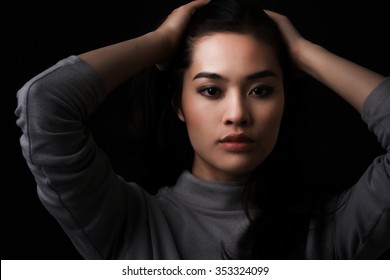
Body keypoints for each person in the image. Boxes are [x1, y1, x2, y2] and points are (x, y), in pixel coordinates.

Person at [15, 0, 389, 259]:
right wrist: (160, 42)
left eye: (260, 90)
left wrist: (304, 52)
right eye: (211, 90)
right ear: (179, 104)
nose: (237, 114)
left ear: (284, 101)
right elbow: (44, 103)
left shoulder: (331, 235)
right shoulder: (125, 223)